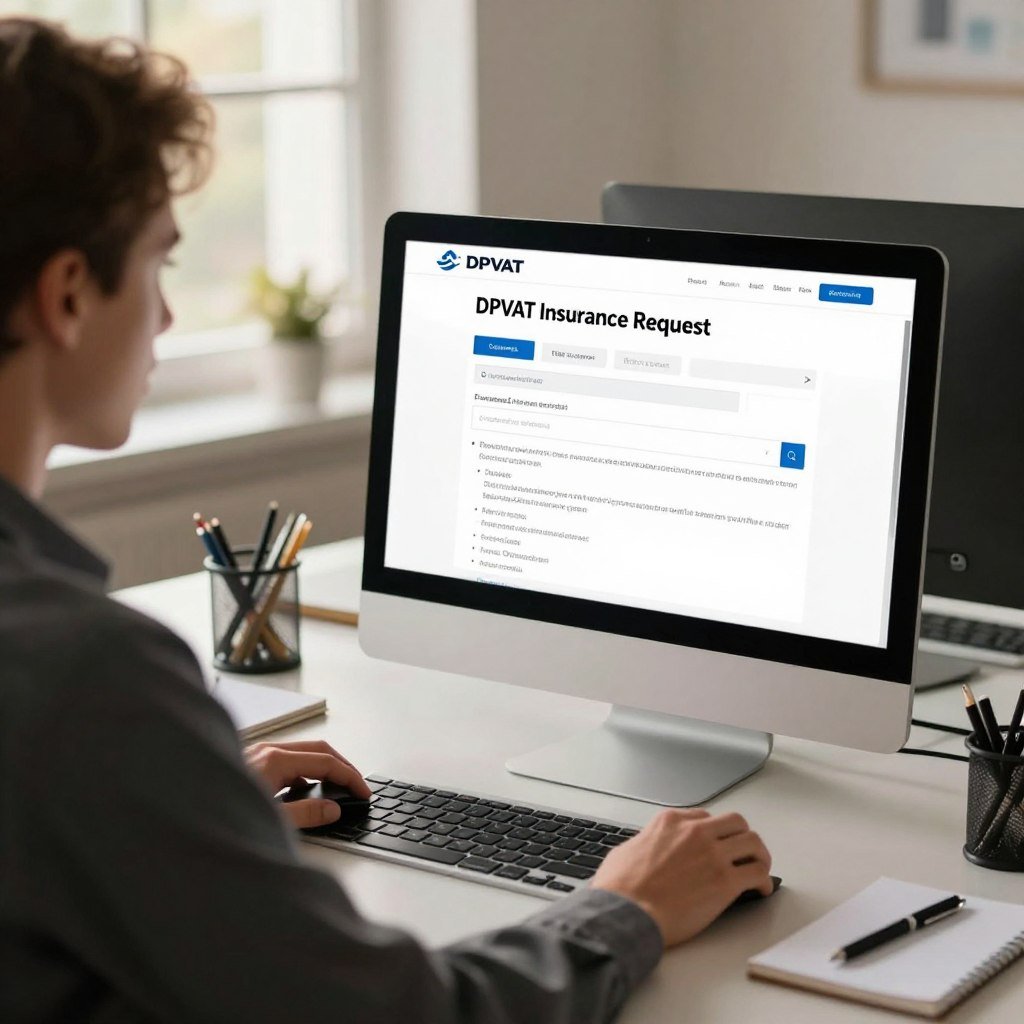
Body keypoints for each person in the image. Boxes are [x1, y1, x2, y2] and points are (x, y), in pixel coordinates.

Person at [0, 17, 774, 1024]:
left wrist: (173, 807)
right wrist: (626, 905)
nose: (166, 318)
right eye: (159, 266)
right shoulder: (82, 678)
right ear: (67, 293)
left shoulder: (73, 710)